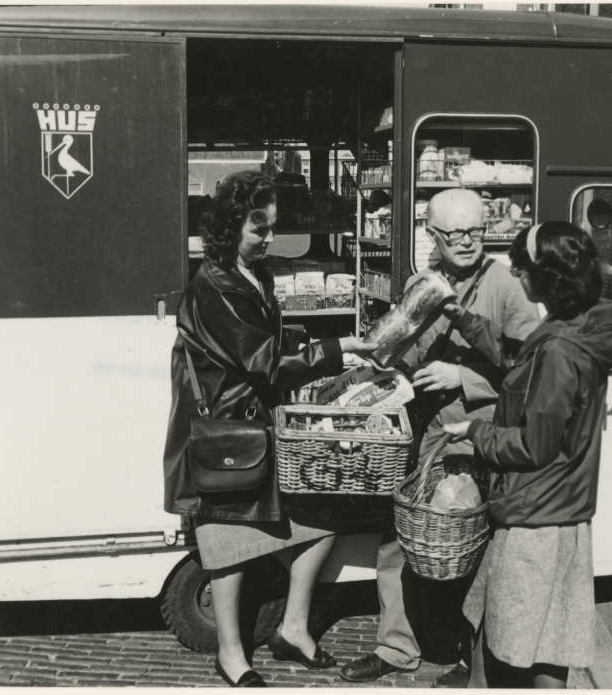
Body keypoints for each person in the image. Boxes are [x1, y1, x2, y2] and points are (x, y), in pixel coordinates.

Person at [162, 171, 377, 688]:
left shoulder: (251, 275)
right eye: (260, 228)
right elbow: (266, 363)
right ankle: (231, 655)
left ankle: (293, 628)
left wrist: (312, 347)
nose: (270, 238)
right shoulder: (215, 286)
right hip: (228, 434)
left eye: (273, 227)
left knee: (321, 520)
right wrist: (339, 349)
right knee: (229, 544)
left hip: (254, 426)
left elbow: (266, 344)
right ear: (231, 225)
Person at [338, 188, 540, 687]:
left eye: (476, 231)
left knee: (473, 548)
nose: (467, 241)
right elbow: (407, 353)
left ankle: (471, 658)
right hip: (427, 433)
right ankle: (396, 647)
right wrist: (372, 366)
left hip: (482, 435)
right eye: (455, 233)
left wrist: (464, 377)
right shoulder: (421, 284)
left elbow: (534, 368)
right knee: (401, 536)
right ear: (432, 235)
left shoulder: (505, 287)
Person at [441, 220, 612, 688]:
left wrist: (476, 431)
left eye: (522, 269)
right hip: (561, 509)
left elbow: (534, 445)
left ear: (547, 275)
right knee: (549, 641)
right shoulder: (579, 324)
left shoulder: (559, 350)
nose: (517, 277)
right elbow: (517, 358)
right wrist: (462, 317)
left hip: (534, 515)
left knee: (502, 642)